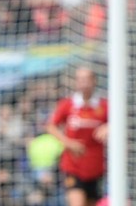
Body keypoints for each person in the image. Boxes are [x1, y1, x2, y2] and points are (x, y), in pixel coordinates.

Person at [46, 67, 108, 206]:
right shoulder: (68, 104)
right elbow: (51, 126)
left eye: (87, 79)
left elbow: (119, 120)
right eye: (80, 79)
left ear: (94, 81)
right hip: (73, 166)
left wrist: (109, 126)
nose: (84, 83)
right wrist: (67, 142)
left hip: (95, 168)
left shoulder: (104, 105)